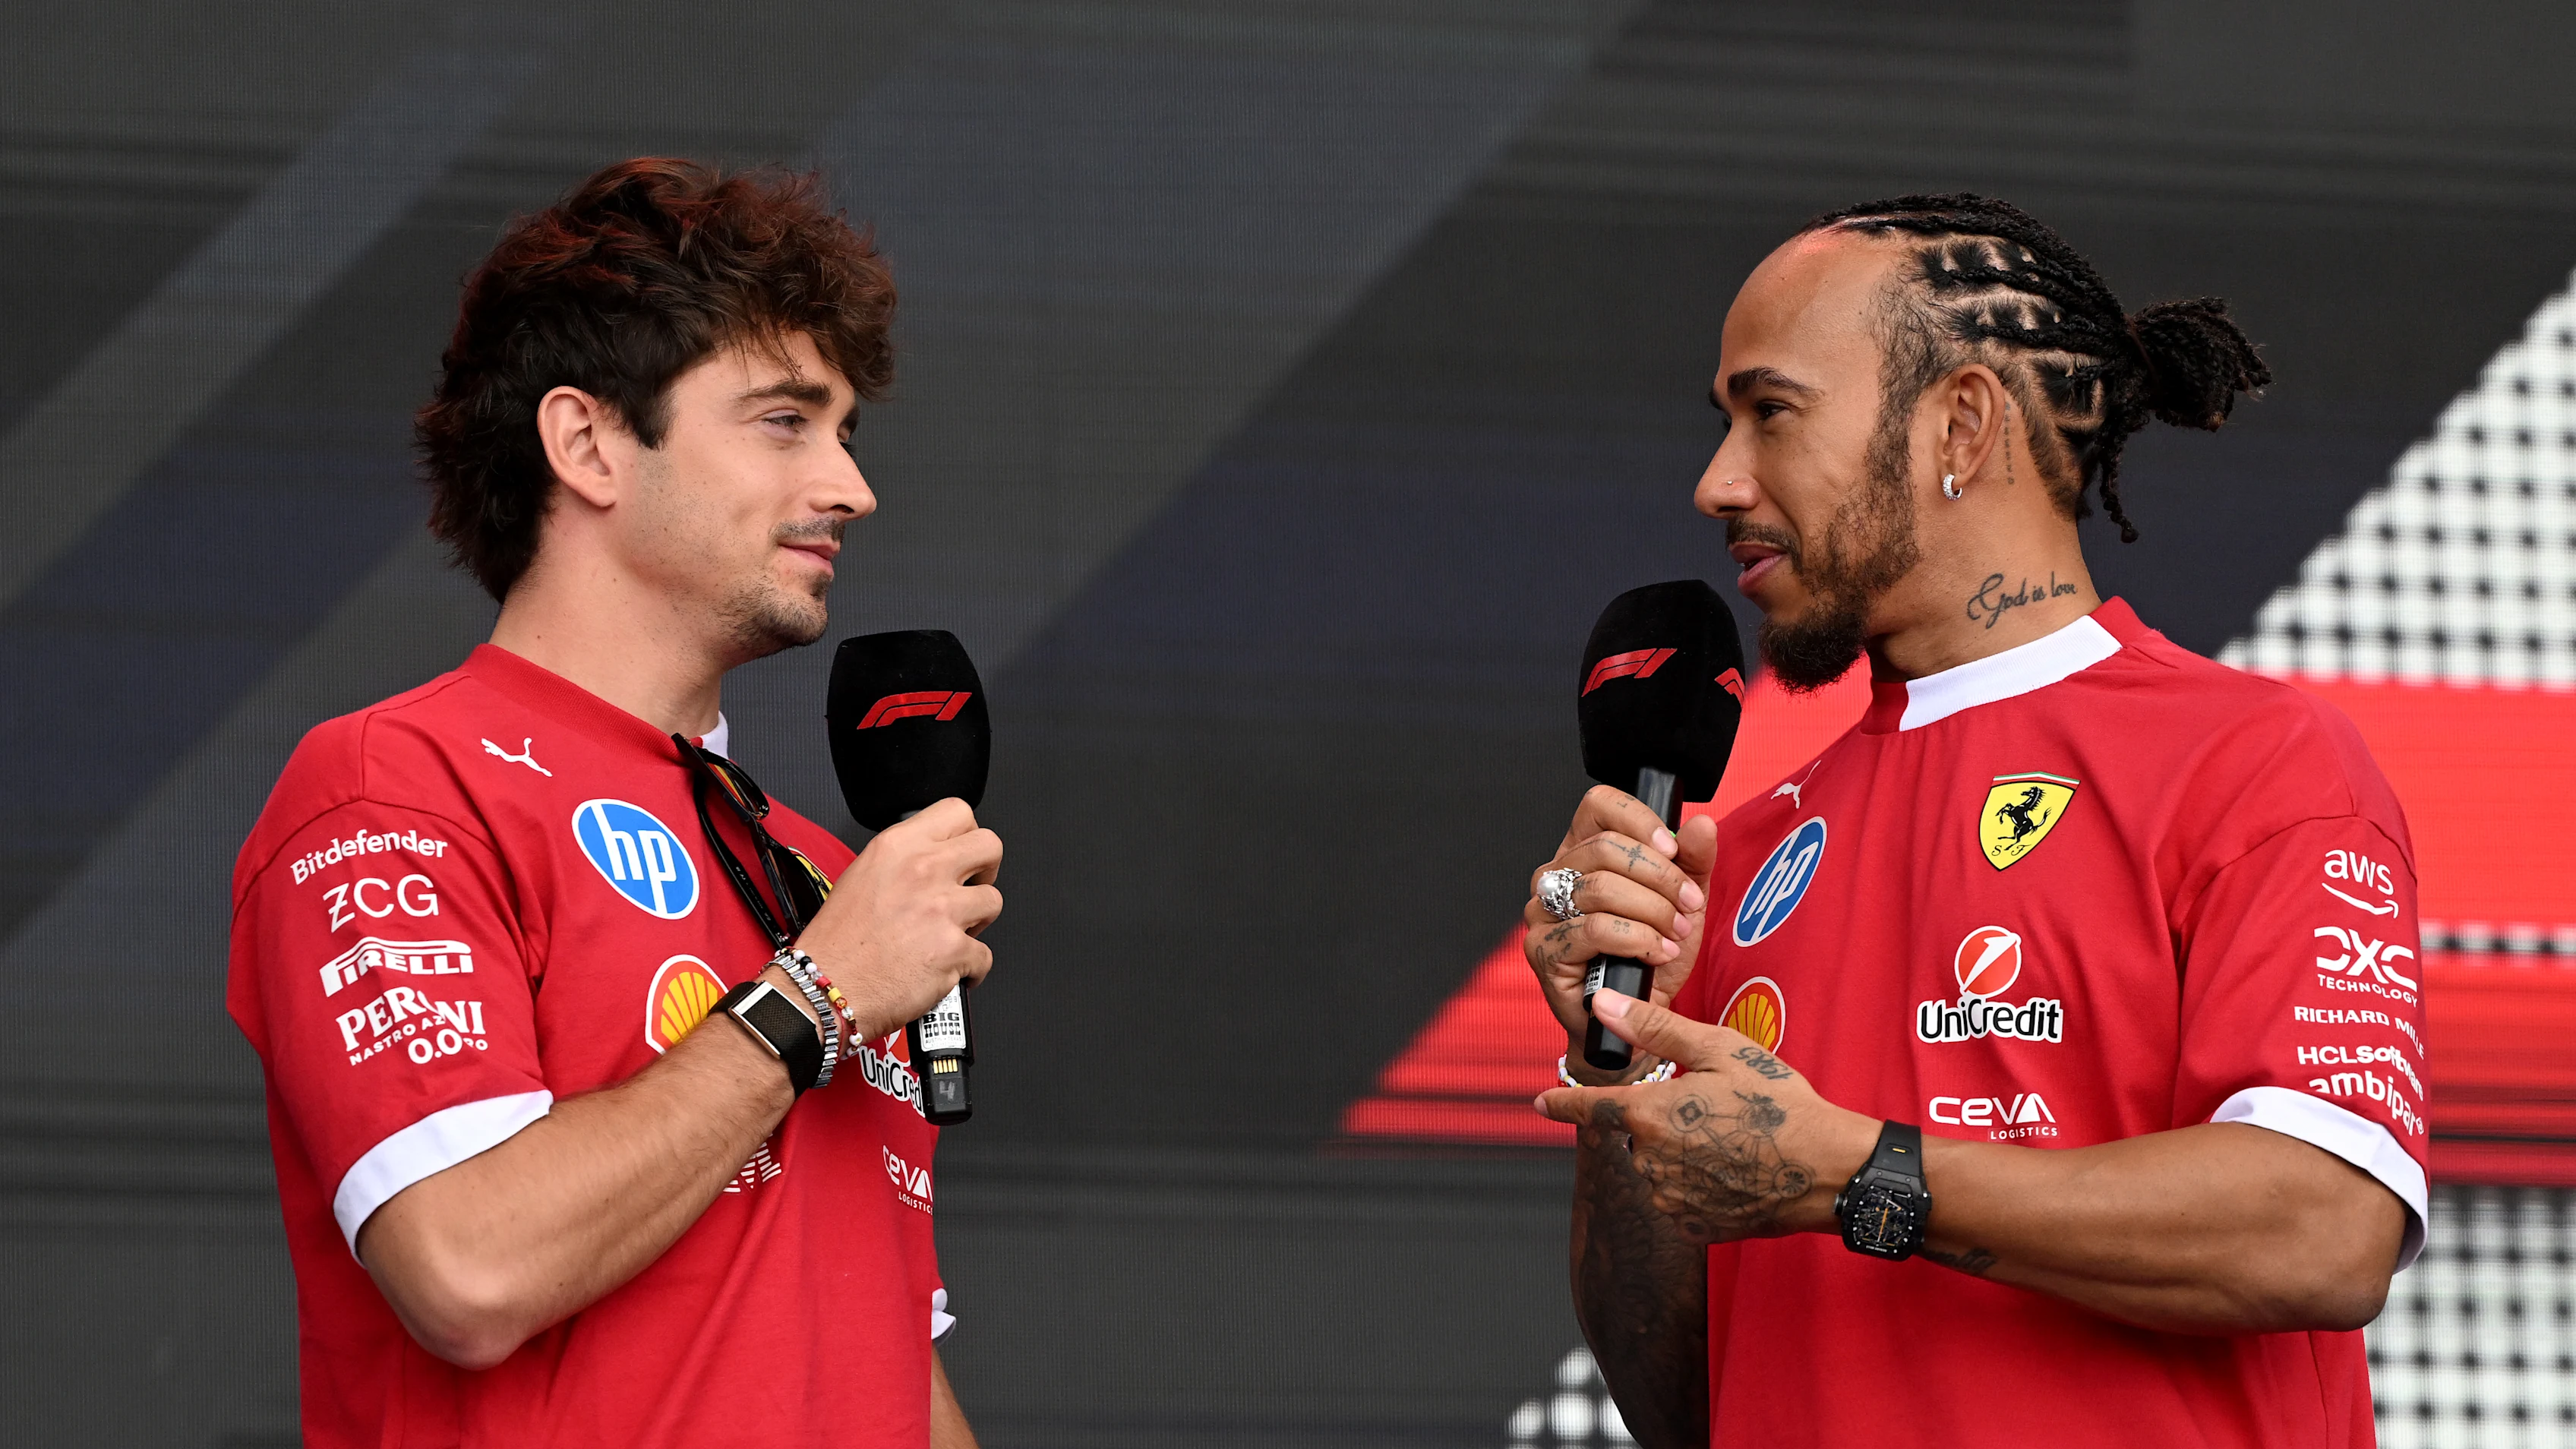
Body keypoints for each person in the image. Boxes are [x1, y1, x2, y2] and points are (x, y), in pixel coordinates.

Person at [1522, 194, 2423, 1448]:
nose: (1717, 482)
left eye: (1770, 412)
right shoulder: (1748, 848)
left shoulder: (2255, 762)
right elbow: (1688, 1406)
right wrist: (1609, 1056)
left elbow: (2325, 1233)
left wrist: (1853, 1175)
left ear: (1962, 421)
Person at [226, 159, 1002, 1447]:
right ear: (587, 442)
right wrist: (814, 999)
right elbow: (468, 1270)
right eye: (783, 421)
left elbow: (876, 1361)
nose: (851, 488)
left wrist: (826, 972)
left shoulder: (816, 880)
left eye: (848, 433)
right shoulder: (397, 786)